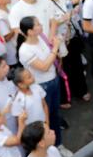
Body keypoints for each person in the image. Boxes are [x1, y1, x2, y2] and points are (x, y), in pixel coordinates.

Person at [16, 17, 63, 146]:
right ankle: (48, 145)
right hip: (42, 85)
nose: (41, 25)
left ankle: (58, 143)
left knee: (55, 114)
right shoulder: (25, 50)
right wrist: (55, 48)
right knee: (45, 119)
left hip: (53, 80)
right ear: (30, 31)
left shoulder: (41, 38)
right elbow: (43, 66)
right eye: (37, 24)